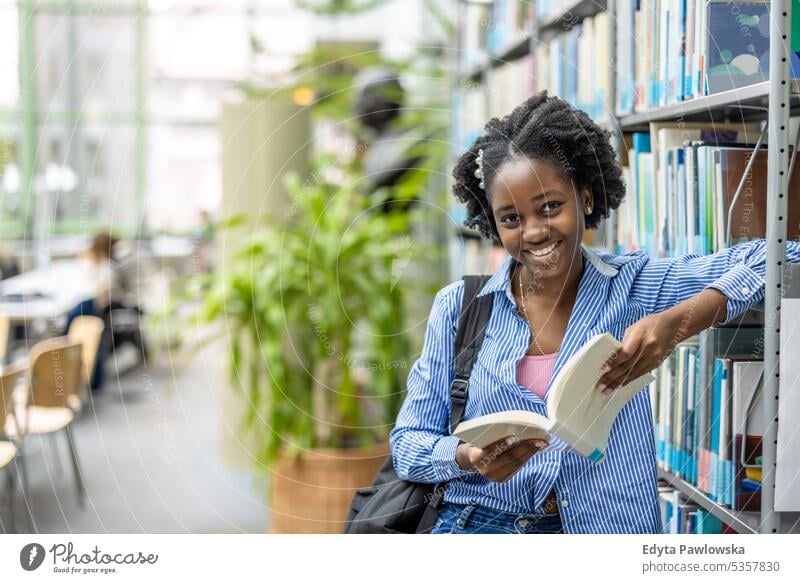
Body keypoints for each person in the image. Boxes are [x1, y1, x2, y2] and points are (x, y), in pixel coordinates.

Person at [389, 91, 800, 534]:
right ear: (492, 221)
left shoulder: (634, 286)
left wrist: (681, 321)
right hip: (477, 526)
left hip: (601, 530)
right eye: (510, 219)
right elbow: (408, 445)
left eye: (551, 207)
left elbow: (784, 257)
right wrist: (466, 457)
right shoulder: (460, 306)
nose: (534, 232)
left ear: (585, 197)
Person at [63, 231, 116, 390]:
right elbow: (102, 293)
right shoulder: (104, 266)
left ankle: (70, 381)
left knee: (71, 343)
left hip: (81, 306)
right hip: (91, 307)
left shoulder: (89, 264)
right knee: (92, 346)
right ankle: (91, 382)